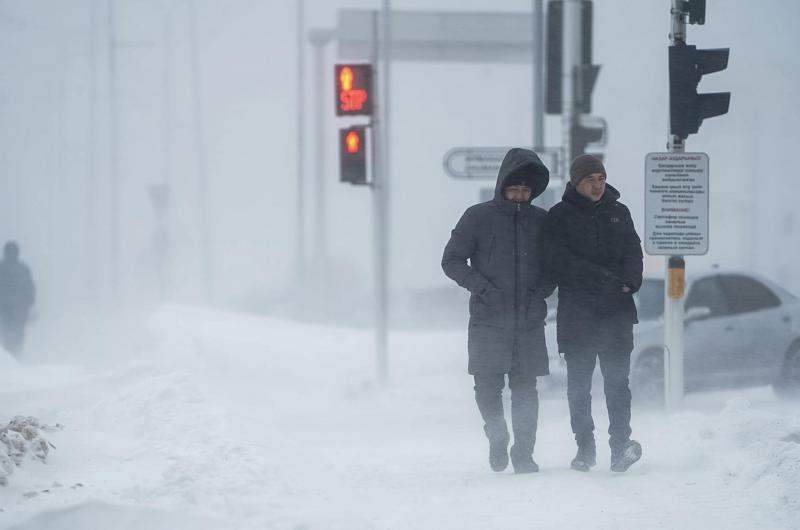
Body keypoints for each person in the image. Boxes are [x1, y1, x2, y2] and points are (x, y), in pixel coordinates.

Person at [442, 148, 554, 473]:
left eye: (526, 189)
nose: (520, 195)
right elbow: (451, 260)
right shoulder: (477, 217)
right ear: (502, 185)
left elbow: (555, 265)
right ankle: (496, 433)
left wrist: (539, 293)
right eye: (514, 187)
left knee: (525, 390)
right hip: (488, 319)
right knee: (486, 387)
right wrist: (483, 289)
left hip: (528, 321)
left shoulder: (541, 222)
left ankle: (524, 454)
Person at [544, 154, 644, 473]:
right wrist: (602, 278)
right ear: (576, 182)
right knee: (579, 387)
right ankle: (585, 449)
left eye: (601, 178)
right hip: (578, 315)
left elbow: (633, 250)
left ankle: (619, 448)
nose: (597, 185)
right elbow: (558, 259)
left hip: (616, 313)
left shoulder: (619, 212)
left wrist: (631, 281)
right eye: (590, 179)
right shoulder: (559, 216)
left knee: (618, 383)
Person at [0, 241, 36, 356]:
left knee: (14, 329)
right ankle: (12, 351)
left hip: (16, 307)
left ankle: (13, 352)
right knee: (12, 329)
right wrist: (30, 301)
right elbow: (30, 287)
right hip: (10, 307)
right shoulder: (21, 268)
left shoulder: (22, 269)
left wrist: (30, 301)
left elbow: (29, 287)